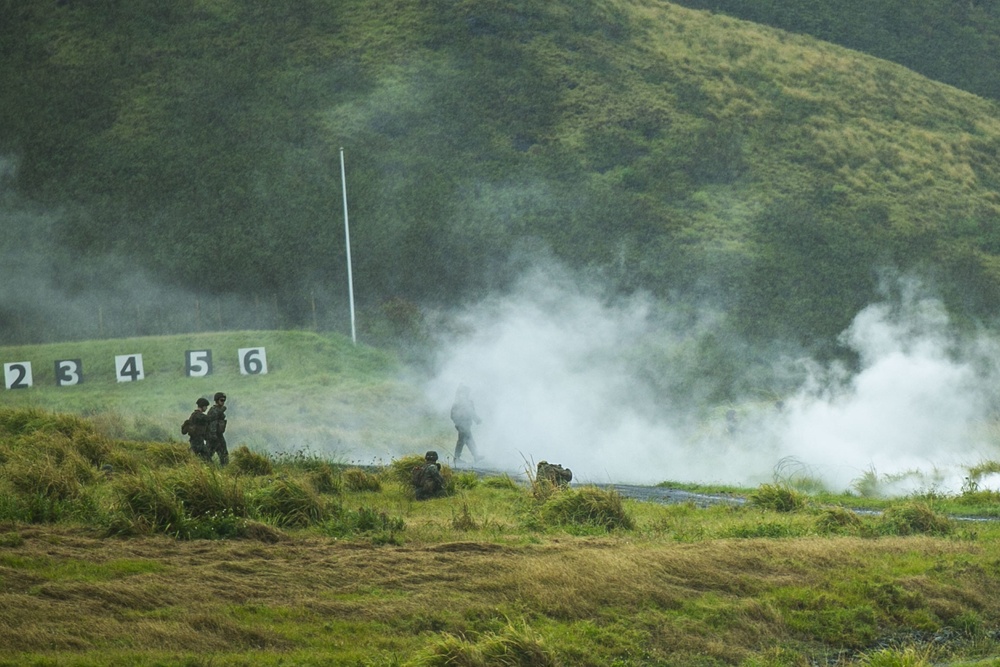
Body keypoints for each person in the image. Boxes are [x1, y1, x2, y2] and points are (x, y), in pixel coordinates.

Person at [450, 385, 481, 463]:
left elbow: (472, 412)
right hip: (461, 425)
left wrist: (476, 419)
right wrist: (458, 423)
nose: (467, 394)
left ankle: (475, 456)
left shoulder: (469, 402)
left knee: (467, 440)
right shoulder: (457, 404)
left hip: (467, 424)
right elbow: (452, 415)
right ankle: (457, 458)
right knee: (464, 440)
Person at [206, 392, 229, 465]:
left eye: (224, 400)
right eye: (221, 400)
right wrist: (213, 436)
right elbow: (212, 424)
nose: (223, 402)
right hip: (213, 436)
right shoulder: (214, 411)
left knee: (224, 455)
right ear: (217, 400)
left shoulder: (218, 410)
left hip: (219, 435)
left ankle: (224, 470)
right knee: (207, 456)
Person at [184, 397, 211, 461]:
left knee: (205, 459)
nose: (206, 408)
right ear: (203, 406)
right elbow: (208, 419)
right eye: (206, 406)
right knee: (206, 460)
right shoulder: (198, 415)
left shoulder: (194, 415)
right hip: (197, 441)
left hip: (198, 441)